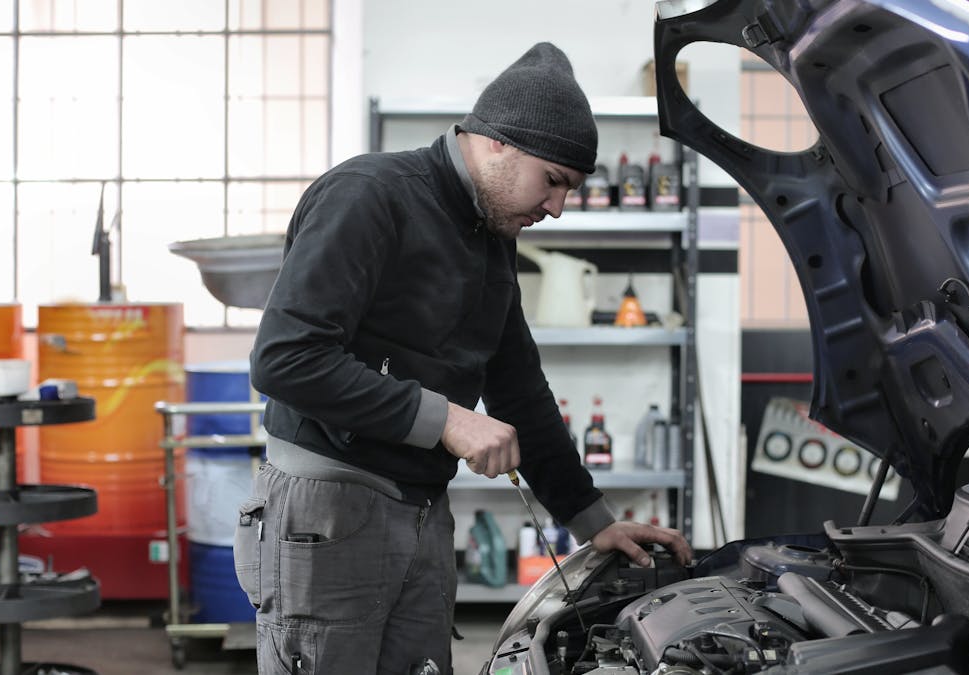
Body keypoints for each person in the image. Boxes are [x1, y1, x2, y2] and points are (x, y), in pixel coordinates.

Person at [241, 42, 692, 674]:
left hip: (422, 507)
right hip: (328, 511)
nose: (557, 207)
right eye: (554, 181)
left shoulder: (491, 231)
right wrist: (449, 419)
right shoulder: (369, 196)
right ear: (498, 143)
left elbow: (518, 390)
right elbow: (286, 359)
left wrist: (594, 523)